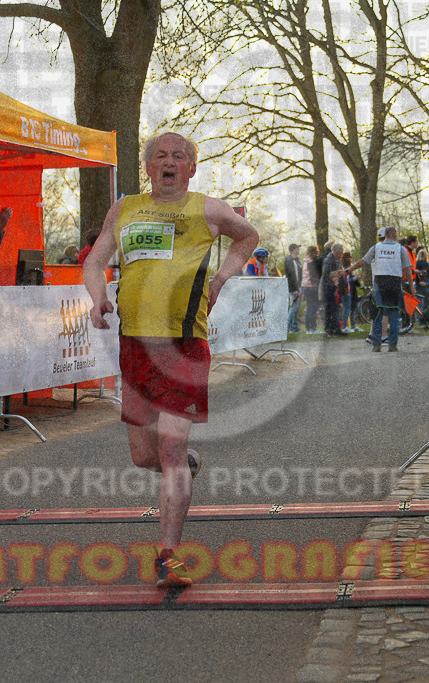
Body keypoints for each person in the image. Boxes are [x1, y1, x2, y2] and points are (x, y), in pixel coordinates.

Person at [84, 132, 259, 587]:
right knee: (144, 455)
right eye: (160, 155)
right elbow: (95, 258)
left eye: (178, 156)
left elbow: (249, 236)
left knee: (170, 448)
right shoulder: (124, 209)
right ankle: (183, 465)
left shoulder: (209, 208)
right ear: (147, 167)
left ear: (191, 168)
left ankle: (168, 556)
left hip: (183, 343)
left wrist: (220, 278)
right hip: (135, 345)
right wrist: (98, 295)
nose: (169, 162)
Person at [349, 226, 412, 352]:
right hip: (394, 282)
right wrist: (411, 287)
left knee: (377, 313)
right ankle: (392, 345)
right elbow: (407, 270)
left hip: (379, 281)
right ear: (394, 234)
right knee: (394, 314)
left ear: (385, 234)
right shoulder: (400, 249)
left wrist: (349, 270)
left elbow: (363, 261)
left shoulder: (376, 247)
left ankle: (376, 344)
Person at [320, 243, 346, 336]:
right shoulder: (328, 260)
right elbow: (326, 276)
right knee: (329, 309)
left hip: (336, 286)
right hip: (329, 288)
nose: (342, 253)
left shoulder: (337, 260)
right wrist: (333, 287)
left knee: (336, 309)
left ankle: (336, 328)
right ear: (338, 252)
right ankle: (328, 329)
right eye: (341, 251)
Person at [303, 245, 322, 333]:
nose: (318, 253)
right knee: (313, 307)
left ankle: (308, 328)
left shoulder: (305, 260)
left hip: (306, 286)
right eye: (317, 252)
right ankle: (312, 327)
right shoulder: (312, 262)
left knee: (309, 307)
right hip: (312, 286)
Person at [284, 243, 303, 333]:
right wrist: (294, 289)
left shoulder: (299, 260)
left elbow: (300, 274)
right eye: (297, 249)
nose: (298, 250)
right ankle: (287, 328)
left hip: (300, 287)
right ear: (292, 250)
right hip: (293, 288)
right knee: (293, 307)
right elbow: (290, 276)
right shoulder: (288, 260)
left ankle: (295, 327)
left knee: (297, 308)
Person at [414, 247, 429, 321]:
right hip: (428, 286)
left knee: (419, 304)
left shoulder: (415, 265)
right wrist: (426, 282)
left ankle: (420, 321)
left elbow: (413, 276)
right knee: (428, 304)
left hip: (418, 287)